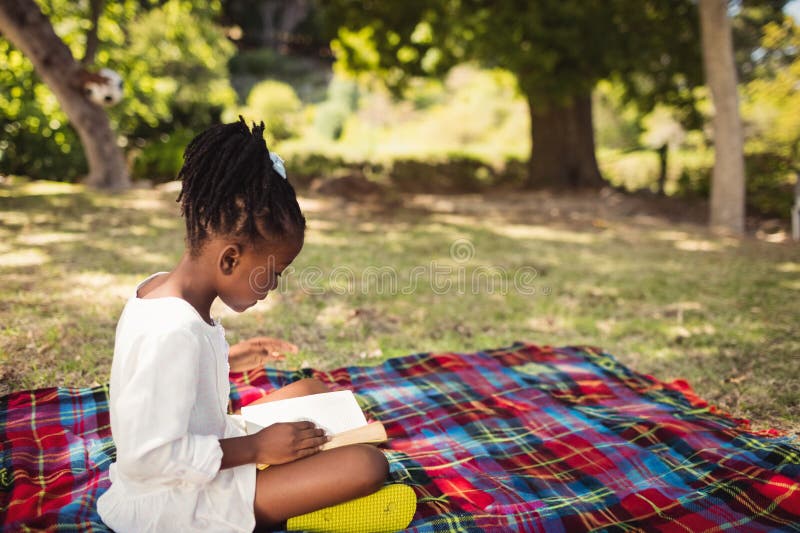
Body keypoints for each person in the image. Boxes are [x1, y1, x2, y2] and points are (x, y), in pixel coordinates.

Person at [96, 117, 415, 532]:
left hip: (210, 448)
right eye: (273, 272)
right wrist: (256, 448)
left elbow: (166, 376)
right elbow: (148, 458)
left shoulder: (159, 290)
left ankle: (296, 480)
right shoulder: (171, 331)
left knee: (311, 390)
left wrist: (228, 357)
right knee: (366, 464)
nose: (274, 285)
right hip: (179, 498)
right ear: (230, 258)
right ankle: (303, 509)